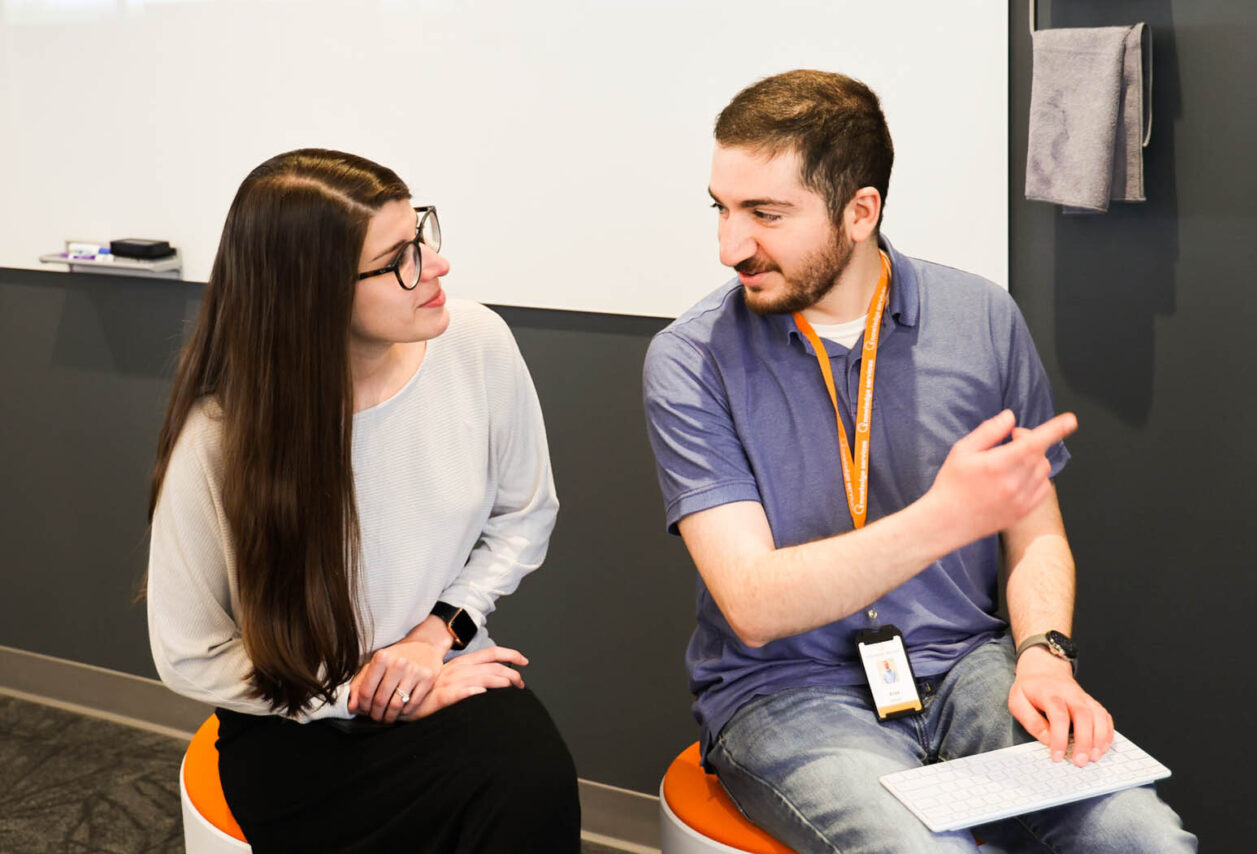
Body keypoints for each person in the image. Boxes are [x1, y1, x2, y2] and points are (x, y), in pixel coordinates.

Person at [643, 71, 1195, 853]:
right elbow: (753, 603)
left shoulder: (981, 319)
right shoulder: (691, 359)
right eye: (722, 208)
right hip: (786, 695)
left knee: (1142, 837)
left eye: (765, 214)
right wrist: (944, 519)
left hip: (971, 669)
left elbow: (1034, 530)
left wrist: (1044, 657)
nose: (731, 245)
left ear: (860, 211)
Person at [147, 149, 580, 853]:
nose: (434, 267)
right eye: (399, 258)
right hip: (295, 720)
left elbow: (524, 514)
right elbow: (188, 654)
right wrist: (353, 691)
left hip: (441, 661)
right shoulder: (219, 439)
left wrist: (434, 635)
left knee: (531, 784)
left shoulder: (477, 344)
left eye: (423, 237)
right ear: (312, 293)